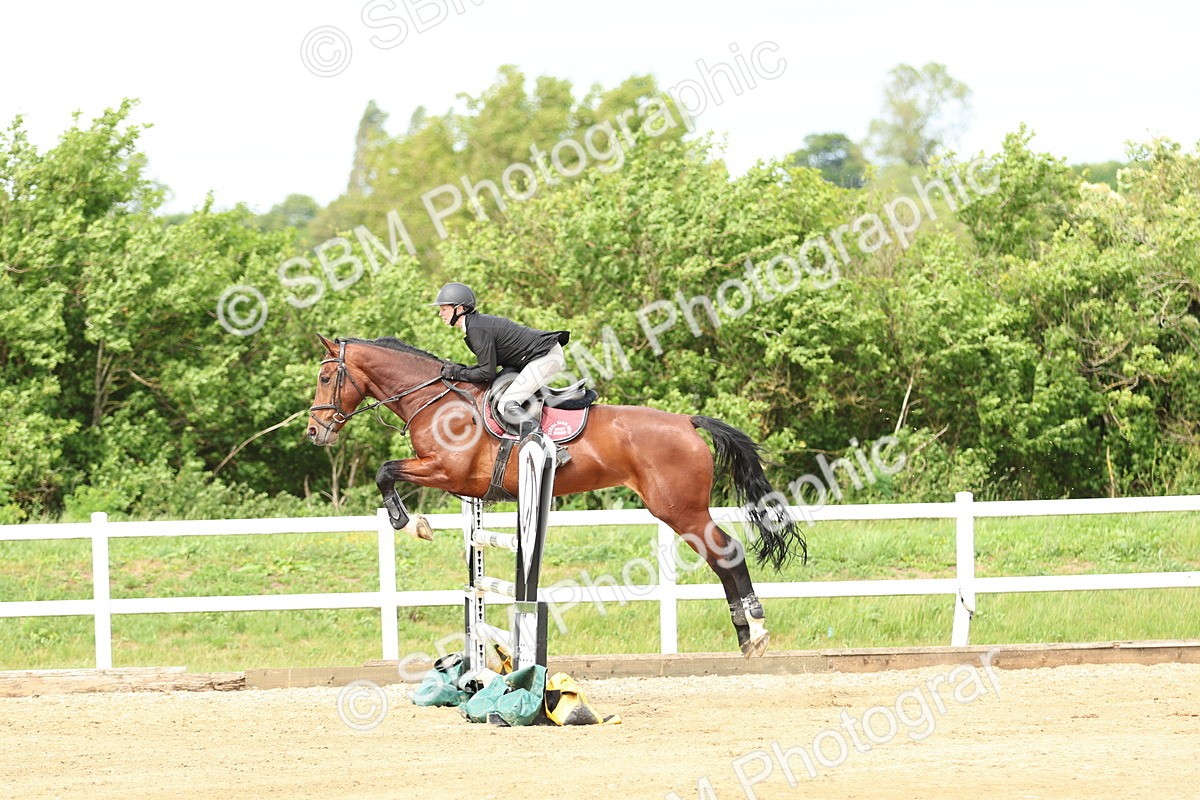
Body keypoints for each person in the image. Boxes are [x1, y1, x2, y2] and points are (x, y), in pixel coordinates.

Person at [432, 282, 569, 437]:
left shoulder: (476, 329)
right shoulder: (475, 325)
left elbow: (486, 373)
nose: (440, 313)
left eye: (444, 309)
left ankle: (542, 442)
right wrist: (459, 370)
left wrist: (456, 373)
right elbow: (486, 368)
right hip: (539, 355)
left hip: (546, 355)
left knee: (506, 404)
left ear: (460, 309)